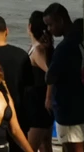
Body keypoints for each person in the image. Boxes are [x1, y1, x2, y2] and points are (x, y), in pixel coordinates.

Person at [43, 4, 84, 151]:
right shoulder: (80, 37)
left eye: (50, 25)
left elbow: (51, 76)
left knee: (72, 146)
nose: (49, 29)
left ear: (61, 21)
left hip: (69, 108)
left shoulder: (64, 48)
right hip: (82, 103)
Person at [23, 11, 54, 152]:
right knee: (45, 145)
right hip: (37, 101)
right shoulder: (39, 48)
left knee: (30, 147)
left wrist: (48, 98)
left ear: (29, 27)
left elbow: (50, 74)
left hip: (38, 104)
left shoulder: (38, 51)